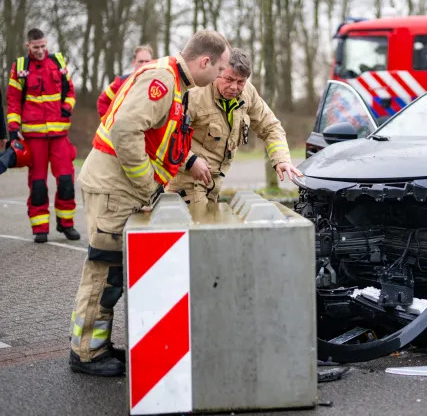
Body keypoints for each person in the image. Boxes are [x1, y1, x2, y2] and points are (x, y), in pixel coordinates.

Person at [70, 30, 230, 377]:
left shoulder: (174, 82)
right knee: (104, 273)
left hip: (119, 189)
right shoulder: (162, 80)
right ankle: (86, 354)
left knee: (112, 273)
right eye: (218, 70)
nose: (218, 78)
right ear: (204, 62)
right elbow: (126, 131)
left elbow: (162, 138)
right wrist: (146, 184)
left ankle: (96, 345)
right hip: (115, 189)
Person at [167, 48, 302, 205]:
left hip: (213, 185)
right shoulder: (194, 94)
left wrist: (281, 159)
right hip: (185, 181)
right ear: (218, 71)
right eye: (229, 79)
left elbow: (270, 126)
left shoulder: (248, 93)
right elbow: (167, 134)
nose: (234, 87)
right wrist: (190, 160)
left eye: (240, 82)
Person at [5, 28, 79, 243]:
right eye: (36, 47)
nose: (40, 50)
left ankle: (66, 224)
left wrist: (67, 106)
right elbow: (13, 100)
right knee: (37, 184)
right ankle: (40, 228)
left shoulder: (58, 62)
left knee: (66, 181)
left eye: (43, 46)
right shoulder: (20, 68)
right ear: (28, 46)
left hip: (59, 135)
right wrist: (13, 127)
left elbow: (71, 91)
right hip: (33, 136)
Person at [96, 45, 154, 117]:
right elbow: (103, 101)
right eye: (141, 61)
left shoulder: (158, 84)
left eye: (147, 61)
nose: (144, 64)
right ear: (133, 62)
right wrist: (110, 123)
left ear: (153, 62)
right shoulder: (121, 82)